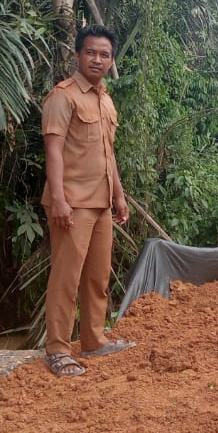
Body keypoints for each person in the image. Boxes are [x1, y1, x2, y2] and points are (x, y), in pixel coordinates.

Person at [39, 24, 134, 377]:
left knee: (97, 277)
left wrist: (119, 197)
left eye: (105, 54)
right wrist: (60, 199)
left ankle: (93, 339)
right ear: (78, 55)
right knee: (66, 277)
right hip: (72, 203)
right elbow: (54, 151)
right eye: (91, 52)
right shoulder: (62, 97)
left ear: (111, 61)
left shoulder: (105, 99)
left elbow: (108, 154)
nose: (98, 59)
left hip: (101, 203)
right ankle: (58, 349)